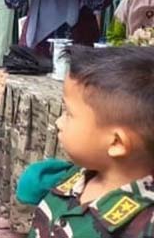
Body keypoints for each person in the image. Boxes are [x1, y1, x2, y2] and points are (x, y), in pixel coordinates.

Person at [17, 46, 154, 237]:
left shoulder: (143, 226)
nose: (59, 122)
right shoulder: (70, 177)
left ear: (116, 143)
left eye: (69, 114)